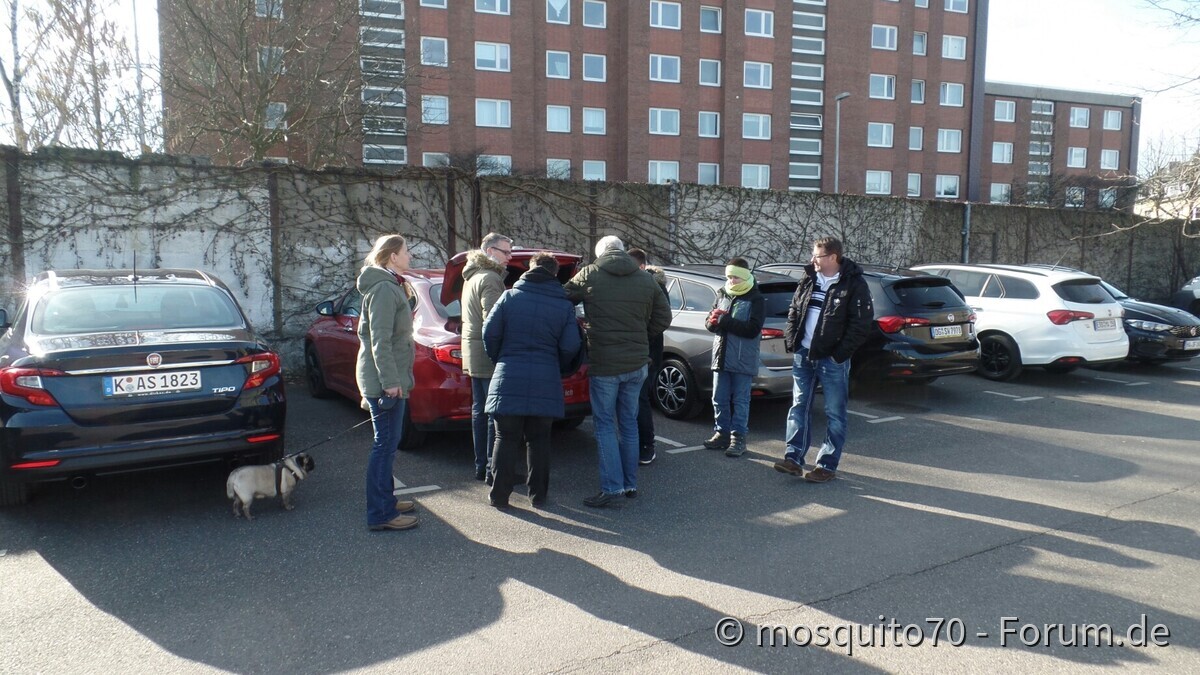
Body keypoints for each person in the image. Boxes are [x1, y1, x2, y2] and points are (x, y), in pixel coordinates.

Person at [564, 235, 672, 508]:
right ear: (622, 250)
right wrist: (641, 335)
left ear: (600, 253)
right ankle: (630, 483)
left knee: (604, 426)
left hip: (605, 364)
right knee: (628, 423)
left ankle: (612, 488)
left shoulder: (590, 273)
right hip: (637, 364)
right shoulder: (645, 278)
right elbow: (664, 317)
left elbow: (564, 296)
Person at [481, 253, 582, 509]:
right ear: (555, 274)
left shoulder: (509, 297)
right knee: (539, 440)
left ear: (530, 269)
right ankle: (538, 496)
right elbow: (571, 345)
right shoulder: (563, 305)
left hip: (508, 374)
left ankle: (499, 496)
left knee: (505, 437)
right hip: (545, 377)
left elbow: (489, 333)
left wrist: (501, 358)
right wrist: (556, 365)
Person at [773, 237, 873, 483]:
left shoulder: (854, 284)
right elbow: (794, 310)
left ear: (832, 257)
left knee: (834, 413)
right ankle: (793, 459)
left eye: (817, 256)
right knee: (799, 406)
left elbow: (861, 325)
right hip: (804, 355)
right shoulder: (809, 278)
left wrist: (838, 355)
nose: (812, 260)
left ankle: (827, 465)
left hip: (832, 360)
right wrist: (793, 341)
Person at [356, 234, 420, 531]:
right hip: (385, 381)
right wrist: (390, 382)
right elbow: (379, 340)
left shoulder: (389, 284)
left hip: (387, 377)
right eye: (406, 252)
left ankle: (387, 501)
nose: (410, 256)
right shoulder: (383, 288)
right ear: (393, 256)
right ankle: (381, 513)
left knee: (387, 445)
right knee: (384, 446)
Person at [461, 232, 513, 482]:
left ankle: (481, 465)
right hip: (487, 354)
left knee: (479, 411)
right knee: (494, 413)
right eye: (506, 252)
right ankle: (493, 470)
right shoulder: (491, 278)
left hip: (473, 352)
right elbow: (493, 322)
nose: (510, 257)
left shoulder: (473, 275)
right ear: (491, 251)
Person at [702, 257, 764, 458]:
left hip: (742, 358)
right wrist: (712, 322)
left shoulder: (755, 298)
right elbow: (710, 322)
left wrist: (724, 320)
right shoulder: (722, 293)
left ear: (745, 276)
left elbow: (753, 329)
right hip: (720, 356)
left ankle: (738, 438)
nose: (731, 281)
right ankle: (722, 433)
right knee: (718, 398)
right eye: (729, 277)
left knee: (740, 400)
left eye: (736, 277)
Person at [626, 247, 669, 465]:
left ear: (642, 266)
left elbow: (662, 320)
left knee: (640, 399)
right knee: (632, 400)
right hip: (636, 351)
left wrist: (642, 336)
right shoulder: (634, 283)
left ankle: (647, 445)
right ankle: (634, 443)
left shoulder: (654, 286)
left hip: (648, 354)